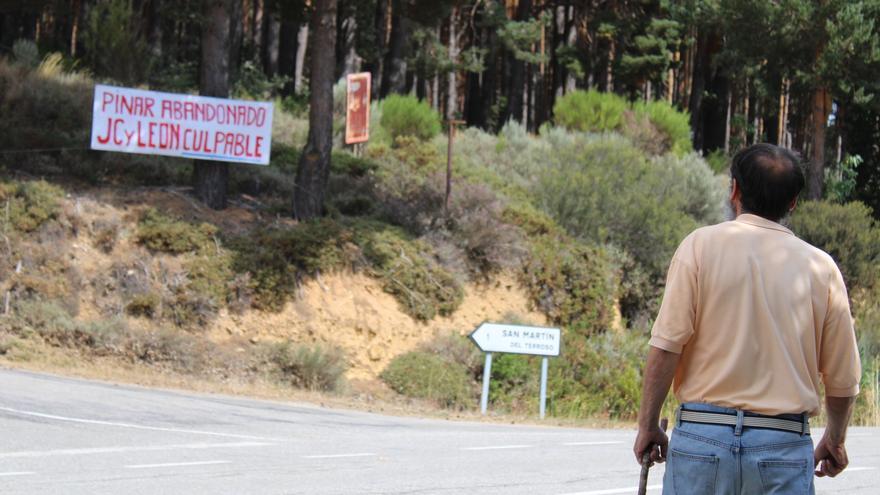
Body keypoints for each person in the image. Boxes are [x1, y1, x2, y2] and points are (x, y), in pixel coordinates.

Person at [632, 143, 862, 494]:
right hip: (783, 443)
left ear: (735, 189)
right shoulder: (821, 268)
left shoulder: (699, 247)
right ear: (793, 202)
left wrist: (648, 426)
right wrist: (835, 439)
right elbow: (843, 380)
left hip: (701, 438)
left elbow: (666, 347)